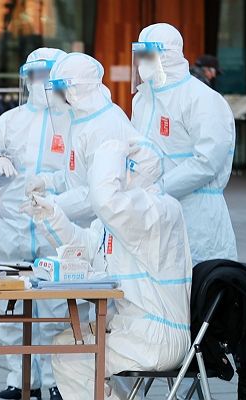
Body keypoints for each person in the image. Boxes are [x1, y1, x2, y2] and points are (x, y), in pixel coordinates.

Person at [23, 138, 192, 400]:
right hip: (131, 326)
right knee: (64, 345)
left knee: (74, 358)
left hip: (156, 335)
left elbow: (106, 201)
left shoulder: (158, 210)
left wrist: (112, 147)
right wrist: (52, 216)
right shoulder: (124, 216)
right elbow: (87, 247)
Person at [0, 48, 68, 400]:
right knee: (10, 310)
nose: (38, 82)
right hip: (11, 226)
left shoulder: (72, 120)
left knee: (56, 310)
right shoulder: (10, 120)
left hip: (54, 228)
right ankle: (20, 380)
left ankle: (57, 381)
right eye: (32, 75)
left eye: (45, 75)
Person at [130, 23, 237, 265]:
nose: (141, 62)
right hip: (151, 212)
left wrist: (161, 187)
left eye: (149, 55)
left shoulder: (202, 98)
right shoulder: (142, 100)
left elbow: (207, 161)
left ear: (167, 55)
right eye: (140, 55)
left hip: (196, 216)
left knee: (199, 292)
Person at [26, 53, 138, 227]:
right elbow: (76, 175)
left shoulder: (105, 125)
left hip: (109, 229)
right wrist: (47, 181)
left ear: (78, 88)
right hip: (87, 229)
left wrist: (54, 204)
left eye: (59, 88)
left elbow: (97, 194)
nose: (55, 95)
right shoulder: (82, 120)